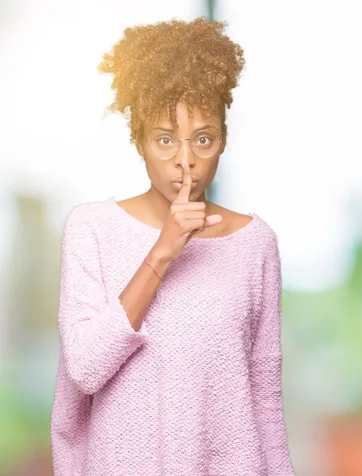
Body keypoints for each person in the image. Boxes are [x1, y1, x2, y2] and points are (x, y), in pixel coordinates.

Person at [50, 17, 295, 475]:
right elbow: (84, 368)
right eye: (165, 140)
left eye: (203, 139)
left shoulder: (255, 244)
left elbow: (264, 399)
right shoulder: (91, 230)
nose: (186, 161)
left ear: (223, 140)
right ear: (138, 141)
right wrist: (163, 251)